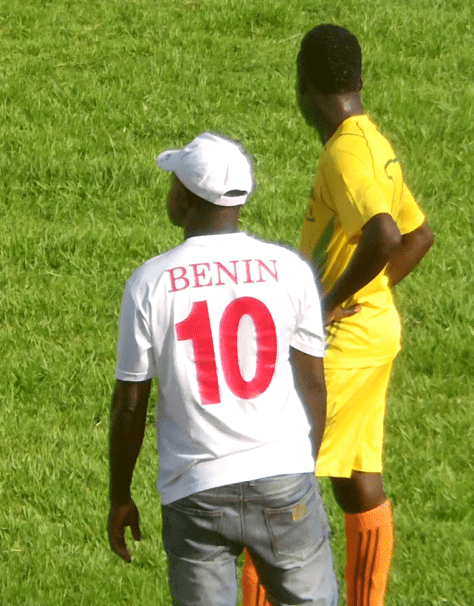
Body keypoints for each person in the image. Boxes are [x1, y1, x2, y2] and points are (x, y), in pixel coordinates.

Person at [241, 24, 435, 606]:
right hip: (373, 330)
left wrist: (322, 306)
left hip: (342, 344)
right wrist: (371, 291)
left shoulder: (344, 153)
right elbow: (419, 236)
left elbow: (385, 235)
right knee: (357, 477)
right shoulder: (372, 141)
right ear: (359, 79)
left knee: (270, 479)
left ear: (303, 87)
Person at [108, 132, 338, 606]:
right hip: (284, 477)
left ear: (185, 198)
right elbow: (313, 383)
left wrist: (120, 496)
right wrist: (302, 465)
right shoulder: (291, 269)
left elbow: (130, 405)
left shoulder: (149, 283)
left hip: (196, 492)